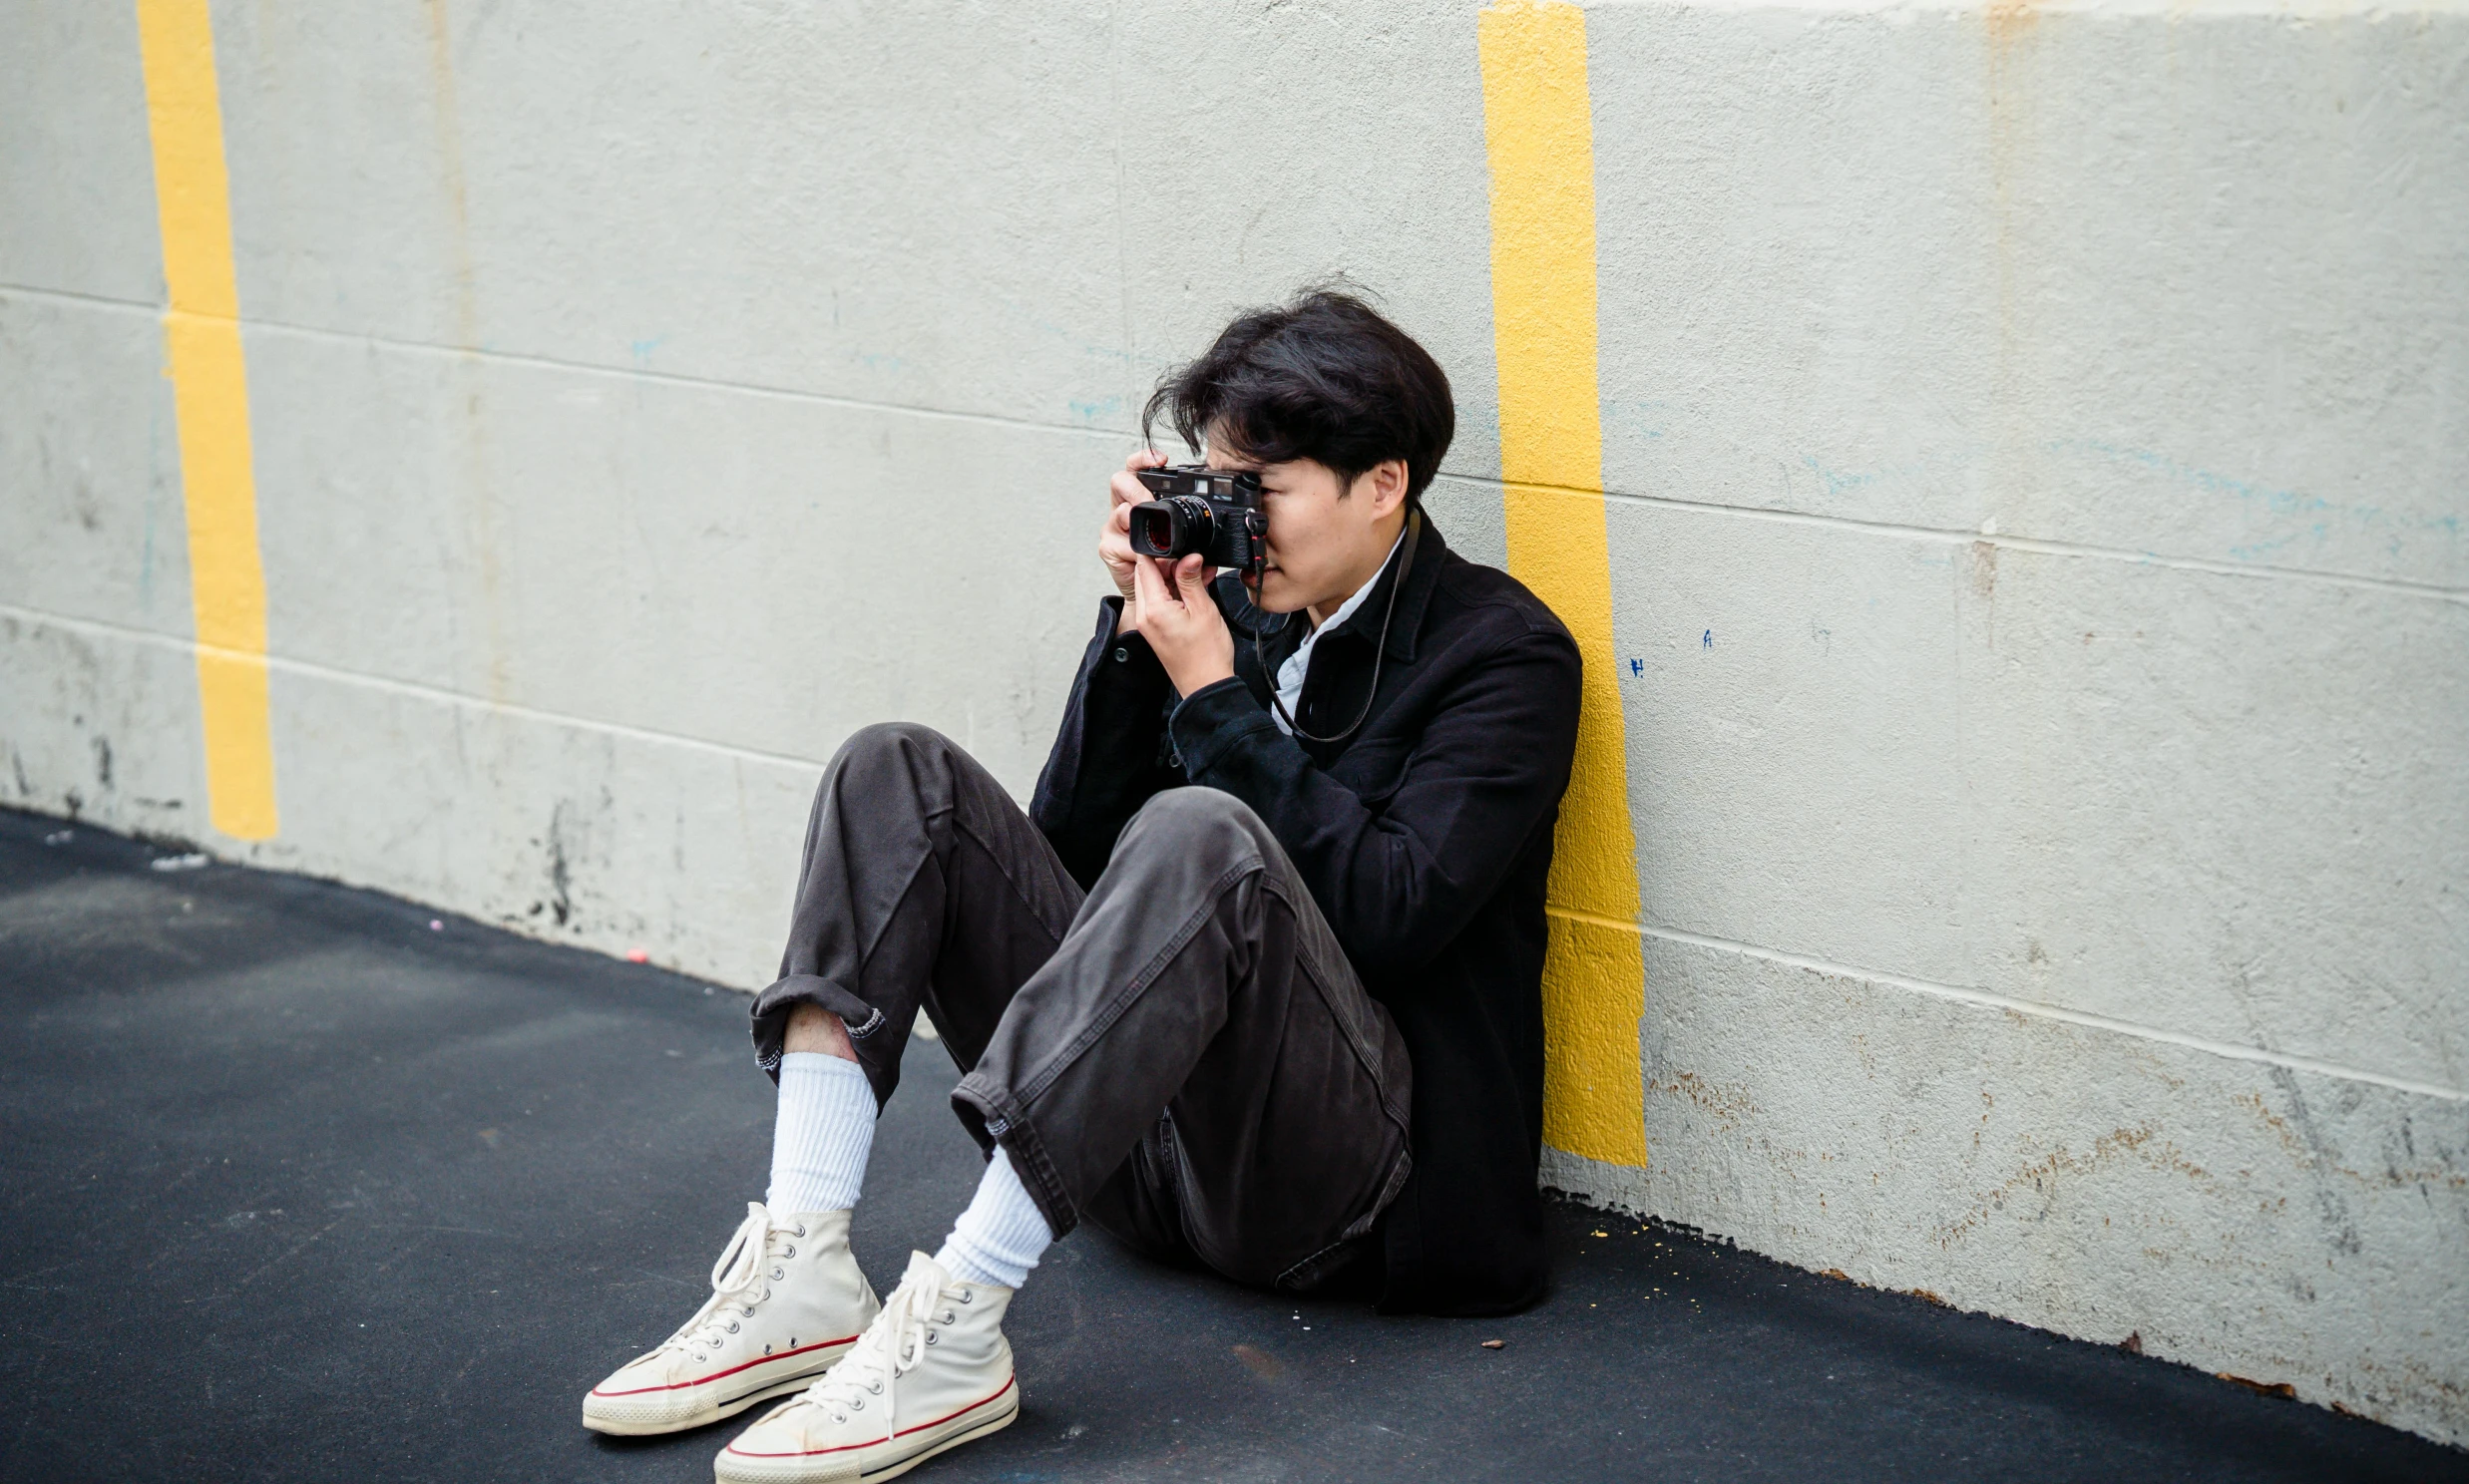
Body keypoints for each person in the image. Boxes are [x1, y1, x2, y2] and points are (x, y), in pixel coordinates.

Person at [582, 288, 1583, 1482]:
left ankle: (960, 1319)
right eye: (1216, 485)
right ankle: (804, 1265)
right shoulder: (1236, 612)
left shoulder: (1505, 655)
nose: (1238, 525)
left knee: (1204, 829)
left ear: (1384, 483)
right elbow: (1065, 865)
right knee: (893, 770)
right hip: (1136, 1162)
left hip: (1339, 1196)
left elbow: (1391, 919)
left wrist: (1216, 701)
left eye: (1262, 490)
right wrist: (1132, 639)